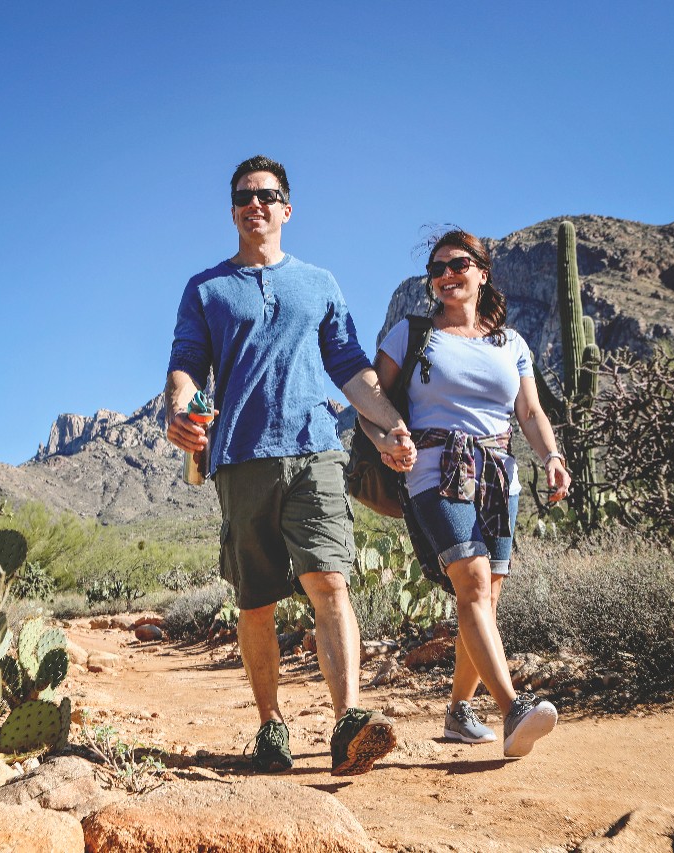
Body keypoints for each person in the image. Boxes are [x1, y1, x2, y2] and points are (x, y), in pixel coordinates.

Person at [165, 155, 413, 776]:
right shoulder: (206, 288)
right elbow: (187, 362)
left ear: (286, 208)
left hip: (316, 449)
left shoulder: (319, 282)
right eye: (246, 196)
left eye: (268, 195)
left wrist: (388, 426)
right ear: (234, 211)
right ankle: (270, 726)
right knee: (257, 601)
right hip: (240, 457)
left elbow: (351, 366)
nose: (257, 204)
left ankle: (348, 722)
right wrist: (177, 406)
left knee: (330, 581)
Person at [362, 228, 571, 758]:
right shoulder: (411, 335)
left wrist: (551, 456)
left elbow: (529, 412)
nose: (446, 275)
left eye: (458, 264)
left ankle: (458, 712)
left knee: (485, 599)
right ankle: (513, 709)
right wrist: (389, 441)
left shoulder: (512, 344)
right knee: (472, 581)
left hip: (500, 474)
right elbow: (370, 402)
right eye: (436, 269)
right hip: (434, 468)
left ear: (482, 272)